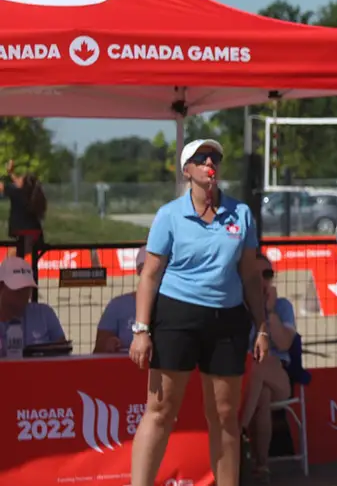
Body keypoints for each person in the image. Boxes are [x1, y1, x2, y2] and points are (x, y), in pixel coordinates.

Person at [129, 139, 269, 486]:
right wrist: (141, 329)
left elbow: (251, 275)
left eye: (216, 157)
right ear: (187, 171)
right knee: (161, 412)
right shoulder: (170, 215)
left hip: (227, 320)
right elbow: (150, 274)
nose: (210, 162)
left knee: (224, 416)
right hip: (176, 317)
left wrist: (262, 327)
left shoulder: (241, 213)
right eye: (201, 158)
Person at [239, 254, 298, 485]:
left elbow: (284, 344)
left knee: (261, 363)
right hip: (250, 380)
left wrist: (269, 312)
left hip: (280, 376)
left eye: (268, 274)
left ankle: (238, 431)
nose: (263, 280)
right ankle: (261, 467)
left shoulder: (282, 307)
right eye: (257, 274)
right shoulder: (239, 307)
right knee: (261, 395)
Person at [0, 255, 66, 357]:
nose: (24, 296)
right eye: (18, 290)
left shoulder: (44, 314)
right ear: (1, 287)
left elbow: (63, 355)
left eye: (27, 290)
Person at [5, 160, 47, 258]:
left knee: (12, 258)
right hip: (36, 234)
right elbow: (20, 183)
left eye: (20, 178)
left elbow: (2, 186)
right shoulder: (32, 193)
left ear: (23, 185)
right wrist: (11, 173)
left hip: (24, 234)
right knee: (25, 258)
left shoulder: (16, 193)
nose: (17, 179)